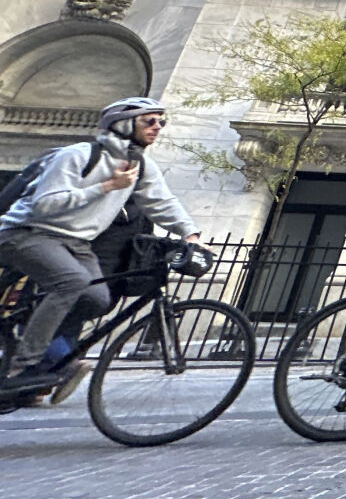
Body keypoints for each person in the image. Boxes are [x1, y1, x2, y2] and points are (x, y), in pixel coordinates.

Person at [0, 97, 201, 399]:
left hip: (76, 243)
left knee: (97, 298)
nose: (158, 127)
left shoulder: (140, 165)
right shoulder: (77, 155)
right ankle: (21, 366)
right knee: (72, 281)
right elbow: (44, 204)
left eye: (162, 121)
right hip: (27, 233)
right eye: (150, 120)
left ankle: (43, 346)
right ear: (123, 124)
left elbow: (162, 202)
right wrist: (105, 187)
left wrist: (191, 233)